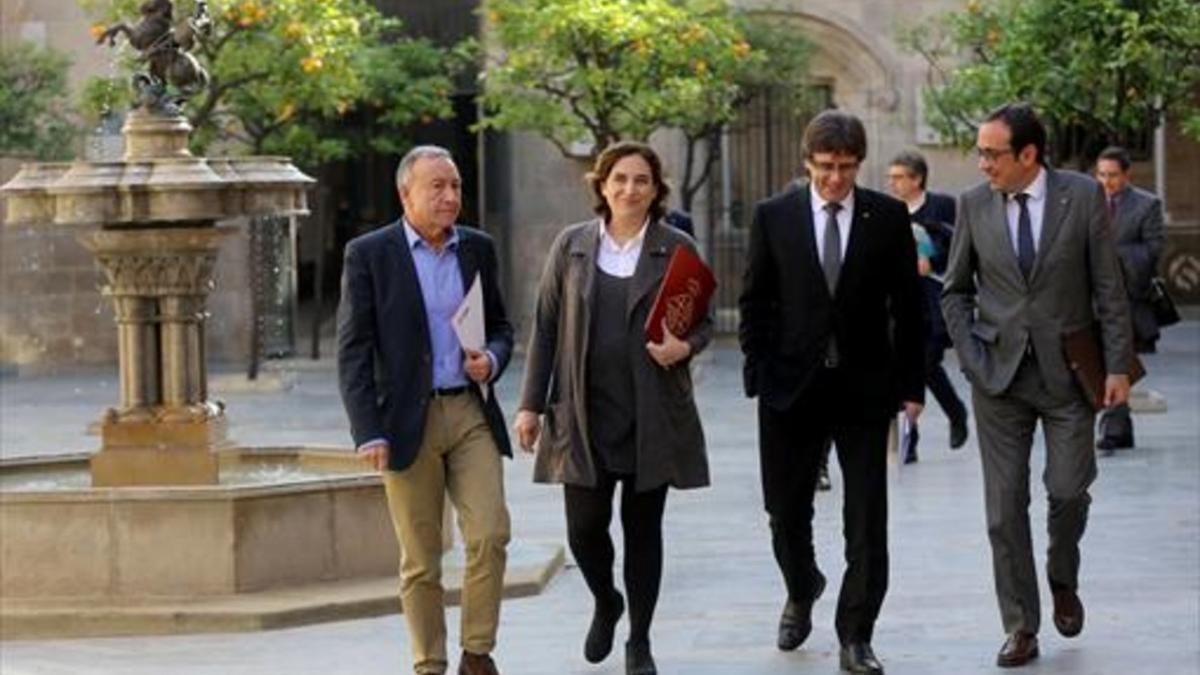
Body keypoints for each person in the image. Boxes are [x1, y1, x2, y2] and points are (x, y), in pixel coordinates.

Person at [941, 103, 1132, 668]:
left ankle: (1062, 574)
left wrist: (1118, 365)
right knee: (1004, 509)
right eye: (979, 152)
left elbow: (1107, 284)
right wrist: (972, 359)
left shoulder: (1081, 196)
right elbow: (954, 290)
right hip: (998, 378)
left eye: (991, 153)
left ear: (1028, 155)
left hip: (1068, 374)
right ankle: (1021, 626)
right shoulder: (973, 205)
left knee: (1069, 490)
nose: (982, 164)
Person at [514, 141, 711, 675]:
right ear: (602, 185)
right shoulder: (572, 246)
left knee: (644, 532)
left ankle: (640, 641)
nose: (630, 189)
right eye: (619, 179)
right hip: (583, 413)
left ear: (655, 189)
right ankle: (606, 600)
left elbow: (703, 322)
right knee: (585, 531)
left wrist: (684, 348)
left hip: (651, 415)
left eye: (641, 180)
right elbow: (546, 326)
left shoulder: (677, 248)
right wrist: (530, 405)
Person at [739, 110, 925, 675]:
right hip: (790, 389)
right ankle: (803, 585)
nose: (835, 179)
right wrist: (759, 372)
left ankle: (856, 634)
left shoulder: (887, 217)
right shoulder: (774, 217)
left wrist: (912, 387)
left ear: (859, 165)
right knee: (784, 512)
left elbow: (909, 309)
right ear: (807, 163)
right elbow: (755, 301)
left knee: (867, 517)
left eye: (845, 167)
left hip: (865, 390)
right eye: (825, 167)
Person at [336, 145, 514, 675]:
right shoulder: (370, 254)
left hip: (469, 413)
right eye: (437, 186)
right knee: (421, 558)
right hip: (404, 422)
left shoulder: (477, 248)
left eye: (455, 185)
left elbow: (502, 326)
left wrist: (493, 359)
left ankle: (476, 653)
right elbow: (353, 349)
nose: (450, 196)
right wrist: (368, 430)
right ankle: (429, 663)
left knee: (490, 534)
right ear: (405, 193)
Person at [887, 150, 970, 460]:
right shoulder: (890, 210)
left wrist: (931, 260)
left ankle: (956, 411)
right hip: (903, 300)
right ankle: (910, 440)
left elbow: (959, 247)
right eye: (891, 177)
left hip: (936, 298)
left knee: (926, 362)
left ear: (917, 179)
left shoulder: (942, 206)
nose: (892, 183)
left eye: (898, 177)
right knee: (903, 364)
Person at [1093, 145, 1165, 452]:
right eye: (1101, 175)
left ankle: (1114, 426)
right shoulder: (1087, 203)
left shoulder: (1146, 205)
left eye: (1112, 175)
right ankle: (1119, 427)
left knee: (1119, 363)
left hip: (1129, 301)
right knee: (1100, 365)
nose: (1106, 181)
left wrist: (1111, 258)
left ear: (1126, 175)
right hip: (1090, 300)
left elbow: (1152, 250)